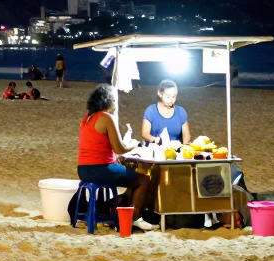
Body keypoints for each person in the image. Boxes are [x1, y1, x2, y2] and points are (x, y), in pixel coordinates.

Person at [79, 84, 158, 231]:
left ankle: (119, 210)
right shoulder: (106, 117)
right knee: (143, 179)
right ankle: (134, 217)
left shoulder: (87, 118)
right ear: (109, 100)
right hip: (101, 169)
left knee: (130, 179)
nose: (116, 103)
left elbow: (98, 145)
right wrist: (134, 145)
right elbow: (119, 148)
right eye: (115, 100)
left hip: (83, 169)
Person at [141, 80, 191, 144]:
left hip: (175, 151)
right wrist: (158, 141)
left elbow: (186, 135)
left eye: (174, 96)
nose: (171, 100)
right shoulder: (151, 111)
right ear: (160, 94)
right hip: (154, 150)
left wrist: (185, 148)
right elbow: (145, 134)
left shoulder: (181, 112)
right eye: (168, 97)